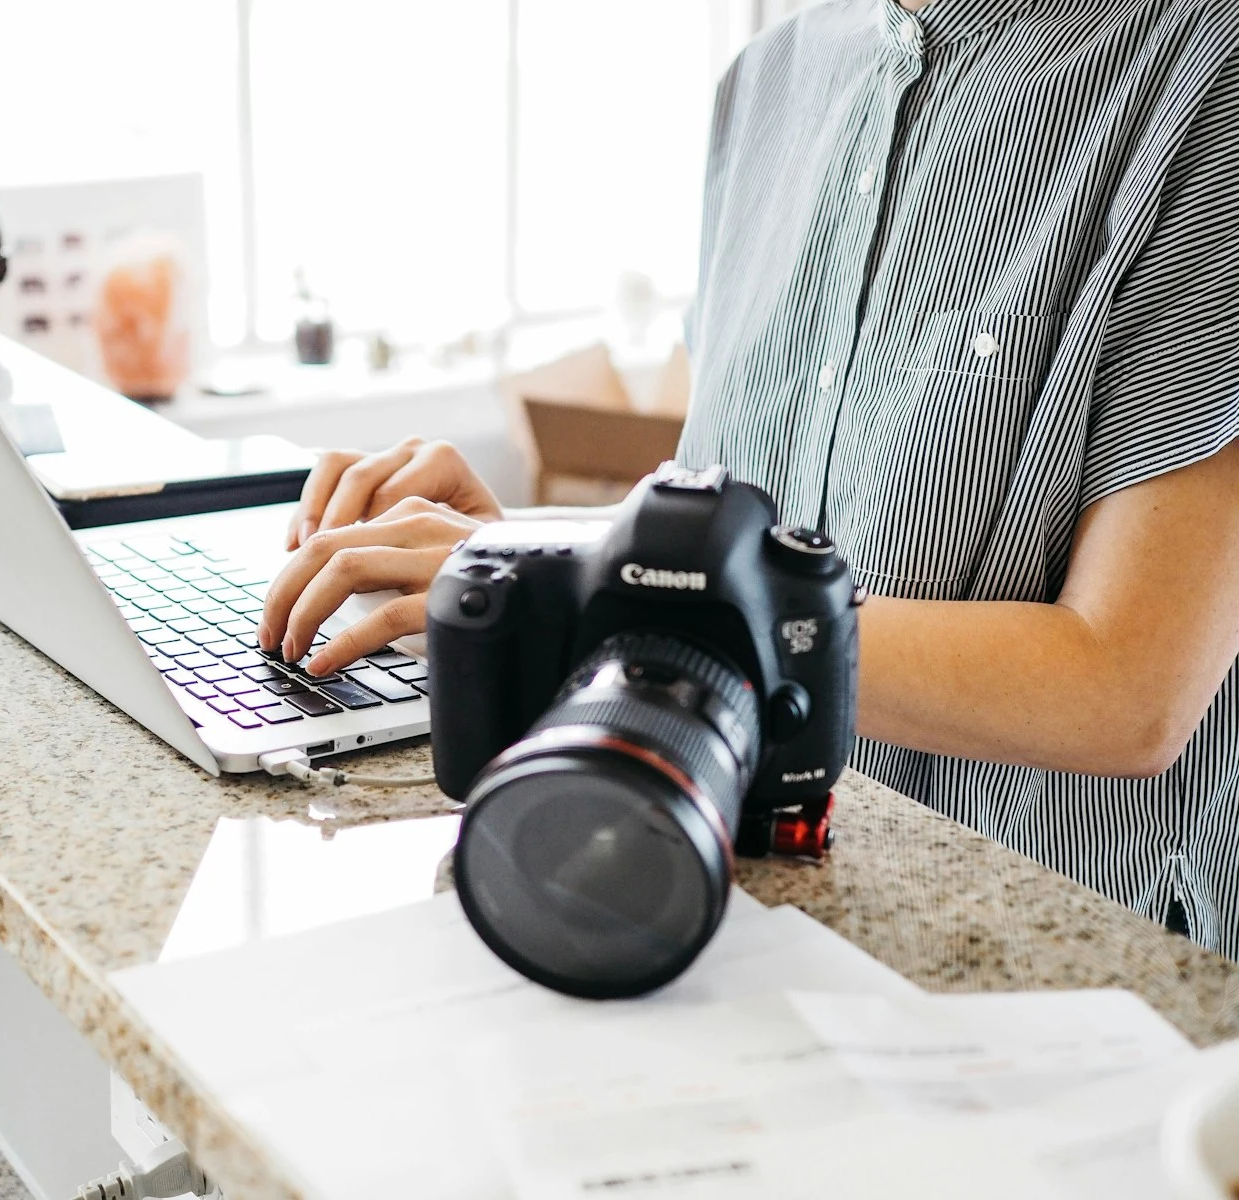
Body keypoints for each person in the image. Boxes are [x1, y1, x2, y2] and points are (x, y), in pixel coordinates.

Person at [257, 0, 1239, 957]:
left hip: (1059, 978)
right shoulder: (763, 87)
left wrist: (584, 587)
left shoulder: (1205, 67)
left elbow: (1126, 689)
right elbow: (726, 535)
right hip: (746, 912)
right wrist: (534, 552)